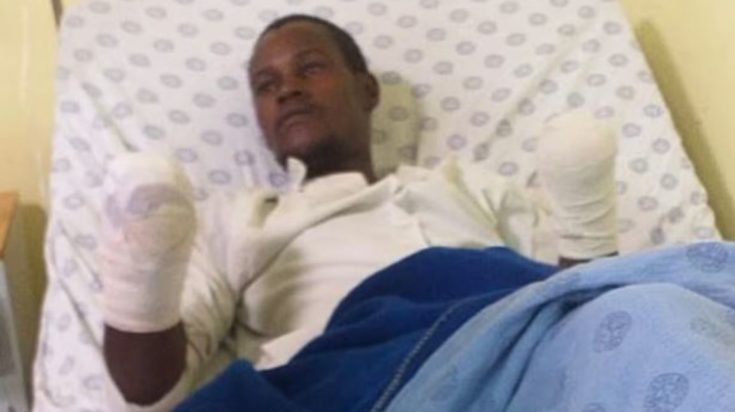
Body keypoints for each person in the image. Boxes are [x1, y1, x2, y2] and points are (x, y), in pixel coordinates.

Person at [98, 14, 619, 411]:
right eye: (266, 85)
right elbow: (149, 392)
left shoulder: (462, 184)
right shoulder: (237, 221)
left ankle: (588, 233)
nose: (288, 90)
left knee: (635, 308)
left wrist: (583, 246)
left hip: (505, 355)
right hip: (344, 385)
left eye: (310, 68)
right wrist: (143, 281)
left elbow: (573, 301)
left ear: (367, 89)